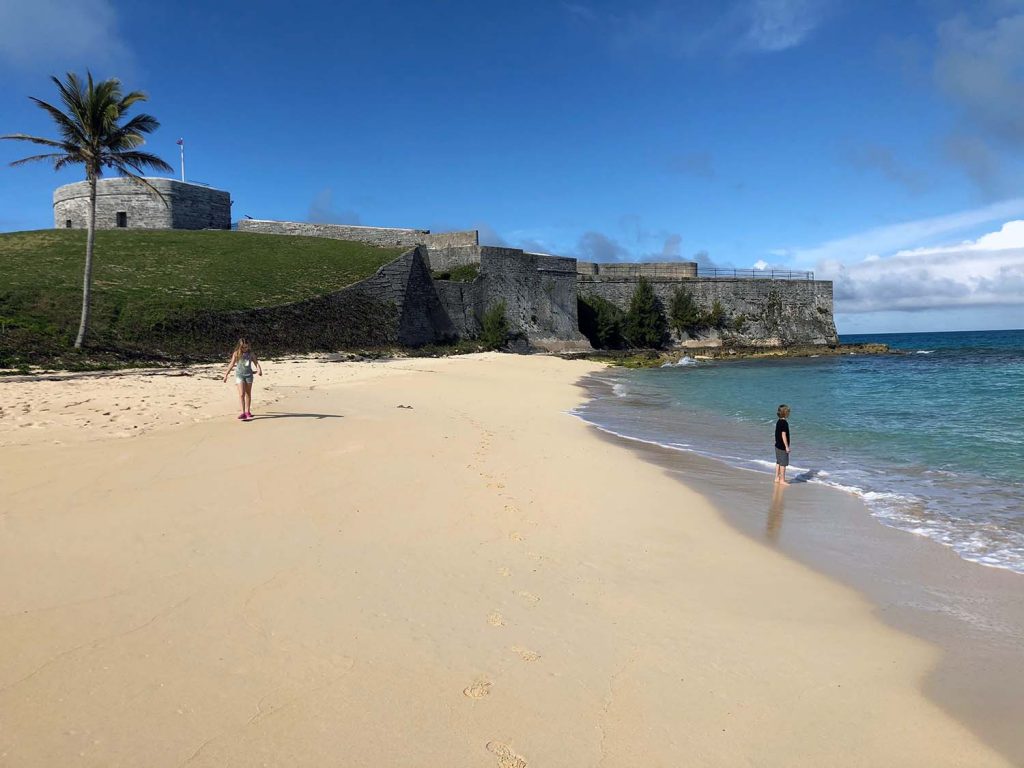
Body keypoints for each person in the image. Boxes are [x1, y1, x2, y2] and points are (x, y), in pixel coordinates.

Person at [222, 338, 262, 420]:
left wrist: (259, 370)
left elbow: (256, 362)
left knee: (248, 393)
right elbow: (231, 364)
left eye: (246, 347)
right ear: (240, 347)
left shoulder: (251, 354)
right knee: (241, 394)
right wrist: (226, 374)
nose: (245, 349)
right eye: (243, 347)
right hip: (239, 375)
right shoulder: (236, 354)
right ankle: (242, 412)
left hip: (249, 375)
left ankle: (248, 411)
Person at [774, 404, 791, 485]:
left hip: (777, 445)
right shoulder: (784, 423)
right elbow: (783, 435)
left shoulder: (778, 421)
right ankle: (782, 480)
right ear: (786, 413)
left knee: (778, 462)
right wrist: (787, 447)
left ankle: (777, 477)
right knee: (783, 464)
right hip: (782, 447)